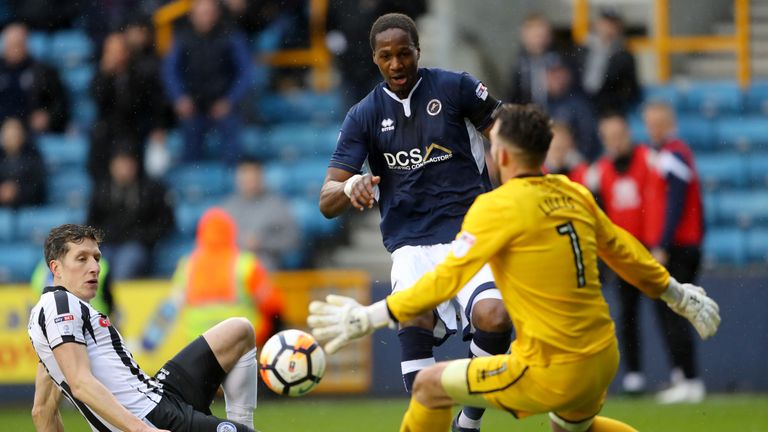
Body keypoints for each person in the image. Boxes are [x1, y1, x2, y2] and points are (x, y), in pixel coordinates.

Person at [308, 104, 721, 432]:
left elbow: (446, 279)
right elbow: (624, 252)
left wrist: (368, 316)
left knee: (429, 387)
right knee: (573, 427)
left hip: (548, 367)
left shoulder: (495, 206)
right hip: (600, 358)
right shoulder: (572, 191)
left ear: (501, 154)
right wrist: (678, 294)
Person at [318, 13, 512, 432]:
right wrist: (351, 184)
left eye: (404, 53)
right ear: (374, 59)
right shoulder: (363, 116)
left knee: (496, 317)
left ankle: (469, 421)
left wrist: (511, 182)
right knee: (419, 363)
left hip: (470, 234)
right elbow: (326, 200)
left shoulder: (456, 87)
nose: (396, 64)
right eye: (386, 56)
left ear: (417, 51)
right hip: (410, 247)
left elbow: (508, 133)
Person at [28, 224, 259, 431]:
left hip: (159, 393)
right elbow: (80, 383)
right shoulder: (60, 305)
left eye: (96, 258)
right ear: (56, 268)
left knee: (239, 331)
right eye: (82, 259)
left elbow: (42, 411)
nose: (95, 267)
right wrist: (141, 430)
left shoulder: (58, 319)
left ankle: (241, 424)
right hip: (151, 418)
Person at [643, 101, 707, 404]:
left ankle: (689, 378)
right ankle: (683, 376)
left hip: (677, 247)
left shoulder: (674, 154)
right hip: (678, 245)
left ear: (669, 123)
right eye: (649, 123)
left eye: (658, 122)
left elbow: (678, 204)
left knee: (675, 310)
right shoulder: (668, 155)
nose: (653, 129)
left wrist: (663, 244)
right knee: (671, 310)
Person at [593, 112, 658, 394]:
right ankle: (634, 375)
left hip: (649, 249)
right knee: (626, 314)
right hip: (621, 254)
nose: (616, 142)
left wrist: (658, 244)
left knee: (665, 312)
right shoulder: (600, 170)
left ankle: (685, 375)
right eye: (610, 137)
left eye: (619, 135)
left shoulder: (648, 159)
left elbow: (659, 202)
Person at [168, 207, 285, 347]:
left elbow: (173, 305)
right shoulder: (245, 264)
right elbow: (272, 304)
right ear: (231, 232)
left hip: (199, 346)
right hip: (240, 344)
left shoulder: (187, 265)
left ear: (201, 233)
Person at [162, 0, 253, 165]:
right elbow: (170, 71)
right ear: (192, 16)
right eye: (201, 13)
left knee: (234, 150)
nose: (206, 18)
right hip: (193, 106)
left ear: (217, 14)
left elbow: (245, 72)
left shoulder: (231, 35)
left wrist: (229, 101)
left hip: (224, 104)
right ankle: (192, 184)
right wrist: (180, 98)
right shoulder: (182, 38)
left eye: (209, 13)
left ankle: (232, 180)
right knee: (190, 152)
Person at [88, 32, 168, 182]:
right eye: (109, 51)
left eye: (116, 51)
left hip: (135, 134)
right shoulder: (101, 76)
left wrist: (157, 128)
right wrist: (106, 75)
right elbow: (97, 99)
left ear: (126, 53)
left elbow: (153, 106)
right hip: (107, 136)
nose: (112, 56)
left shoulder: (140, 75)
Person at [87, 151, 175, 280]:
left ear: (135, 166)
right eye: (120, 164)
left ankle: (117, 299)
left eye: (127, 164)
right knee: (94, 264)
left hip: (137, 245)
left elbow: (165, 221)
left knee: (126, 264)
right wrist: (104, 237)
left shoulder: (151, 189)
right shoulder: (102, 190)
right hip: (108, 245)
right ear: (112, 167)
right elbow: (91, 223)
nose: (124, 169)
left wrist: (144, 237)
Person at [221, 157, 299, 270]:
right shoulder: (226, 209)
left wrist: (263, 242)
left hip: (268, 275)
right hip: (233, 278)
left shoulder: (277, 205)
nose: (250, 182)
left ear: (261, 177)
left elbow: (293, 239)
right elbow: (215, 243)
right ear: (237, 178)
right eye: (245, 177)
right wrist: (239, 242)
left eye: (253, 177)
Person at [0, 23, 69, 133]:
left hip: (32, 132)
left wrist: (48, 117)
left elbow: (60, 103)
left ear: (27, 44)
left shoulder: (44, 72)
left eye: (18, 44)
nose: (14, 49)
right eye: (11, 44)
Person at [580, 9, 640, 115]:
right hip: (581, 105)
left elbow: (632, 90)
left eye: (613, 25)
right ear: (597, 24)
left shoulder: (624, 55)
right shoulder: (582, 49)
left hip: (609, 110)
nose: (608, 28)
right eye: (605, 23)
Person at [544, 53, 600, 161]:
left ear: (568, 75)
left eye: (559, 73)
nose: (556, 78)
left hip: (574, 162)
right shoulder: (541, 103)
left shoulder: (580, 104)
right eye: (551, 73)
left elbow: (589, 140)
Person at [506, 13, 556, 107]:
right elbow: (512, 96)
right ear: (524, 37)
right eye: (535, 36)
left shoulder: (557, 61)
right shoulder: (518, 65)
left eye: (542, 36)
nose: (539, 41)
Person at [0, 116, 45, 208]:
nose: (12, 136)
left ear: (23, 134)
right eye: (8, 132)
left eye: (15, 132)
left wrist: (18, 191)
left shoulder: (33, 155)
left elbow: (38, 185)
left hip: (29, 207)